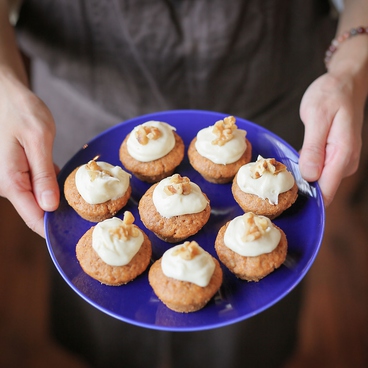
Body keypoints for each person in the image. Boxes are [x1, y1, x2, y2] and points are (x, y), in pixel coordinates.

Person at [0, 0, 367, 367]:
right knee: (110, 338)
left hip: (269, 104)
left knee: (242, 341)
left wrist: (352, 64)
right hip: (87, 116)